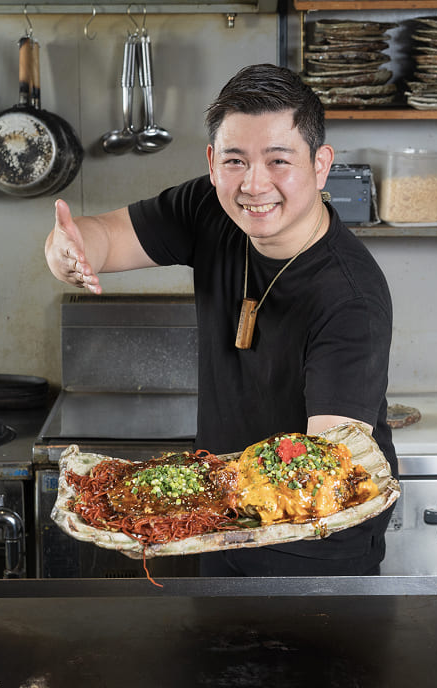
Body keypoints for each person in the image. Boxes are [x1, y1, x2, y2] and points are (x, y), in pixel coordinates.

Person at [44, 63, 398, 576]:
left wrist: (160, 499)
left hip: (315, 555)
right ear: (213, 163)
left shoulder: (351, 299)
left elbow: (322, 467)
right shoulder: (212, 209)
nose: (255, 185)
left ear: (321, 165)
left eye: (280, 161)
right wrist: (67, 250)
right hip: (220, 532)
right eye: (236, 161)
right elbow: (101, 236)